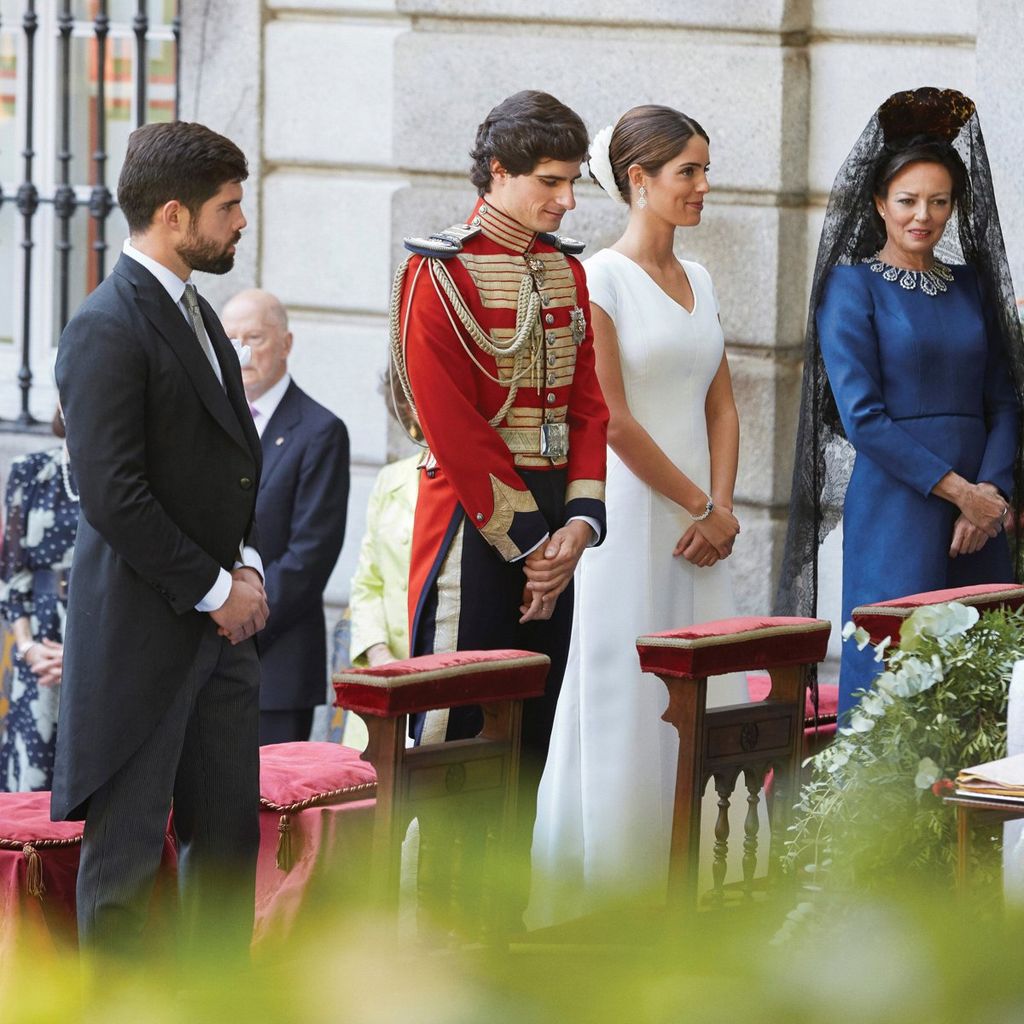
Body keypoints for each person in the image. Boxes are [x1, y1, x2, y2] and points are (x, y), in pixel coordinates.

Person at [53, 120, 268, 956]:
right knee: (125, 873)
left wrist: (243, 569)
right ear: (174, 216)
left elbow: (227, 469)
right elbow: (114, 494)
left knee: (227, 857)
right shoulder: (106, 324)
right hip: (142, 641)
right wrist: (219, 589)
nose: (240, 222)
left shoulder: (201, 316)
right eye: (229, 207)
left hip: (223, 638)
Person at [529, 105, 746, 922]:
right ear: (638, 180)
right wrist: (699, 503)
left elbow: (722, 407)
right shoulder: (600, 278)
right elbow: (612, 418)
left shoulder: (705, 281)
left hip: (701, 528)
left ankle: (699, 880)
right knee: (626, 688)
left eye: (704, 169)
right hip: (632, 518)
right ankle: (611, 894)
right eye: (687, 171)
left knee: (702, 691)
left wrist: (721, 508)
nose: (702, 186)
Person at [390, 91, 609, 846]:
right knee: (461, 725)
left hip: (555, 520)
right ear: (498, 171)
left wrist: (577, 528)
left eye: (572, 181)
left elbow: (589, 406)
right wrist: (531, 545)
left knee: (533, 726)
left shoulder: (563, 271)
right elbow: (451, 426)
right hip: (472, 520)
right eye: (550, 182)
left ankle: (503, 921)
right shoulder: (437, 273)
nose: (568, 200)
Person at [776, 87, 1024, 719]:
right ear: (880, 202)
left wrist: (990, 494)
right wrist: (961, 492)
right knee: (894, 673)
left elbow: (1004, 398)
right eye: (909, 200)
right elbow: (862, 417)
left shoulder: (972, 286)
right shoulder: (850, 286)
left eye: (939, 202)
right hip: (898, 505)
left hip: (983, 515)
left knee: (980, 674)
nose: (924, 216)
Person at [222, 289, 350, 746]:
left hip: (276, 663)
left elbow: (311, 554)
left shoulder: (320, 430)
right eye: (231, 338)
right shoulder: (209, 422)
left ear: (287, 343)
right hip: (204, 655)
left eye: (254, 337)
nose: (242, 351)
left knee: (270, 810)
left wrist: (240, 618)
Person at [0, 408, 80, 792]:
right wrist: (30, 648)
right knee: (31, 784)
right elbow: (13, 580)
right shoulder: (28, 471)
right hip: (38, 646)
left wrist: (84, 657)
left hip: (104, 640)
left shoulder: (125, 479)